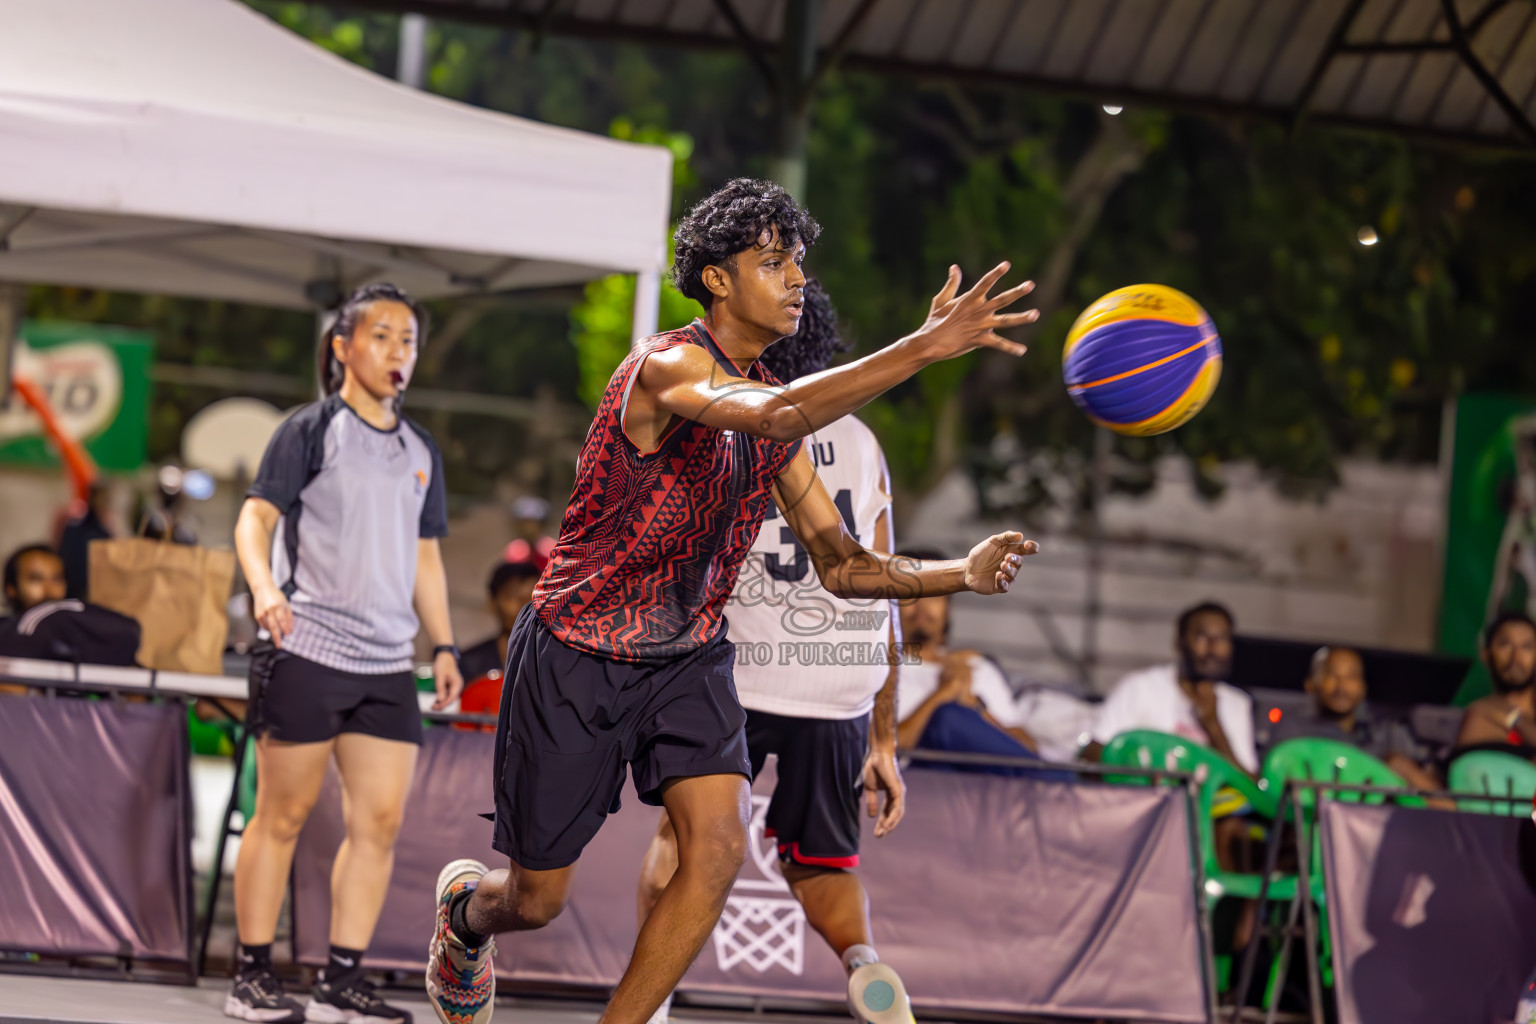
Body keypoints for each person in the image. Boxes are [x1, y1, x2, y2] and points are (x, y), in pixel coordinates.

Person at [424, 178, 1039, 1024]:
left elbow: (846, 568)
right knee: (535, 901)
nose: (797, 280)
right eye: (774, 260)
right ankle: (465, 917)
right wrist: (925, 347)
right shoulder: (667, 363)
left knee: (715, 852)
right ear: (717, 278)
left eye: (799, 263)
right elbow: (779, 412)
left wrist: (957, 574)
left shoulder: (775, 432)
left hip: (689, 657)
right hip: (577, 649)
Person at [634, 278, 909, 1024]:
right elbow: (883, 590)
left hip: (742, 671)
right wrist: (883, 736)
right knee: (822, 861)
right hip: (841, 687)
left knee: (682, 838)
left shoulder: (733, 422)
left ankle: (651, 1012)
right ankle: (865, 963)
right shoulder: (861, 441)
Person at [226, 283, 463, 1024]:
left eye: (409, 341)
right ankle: (252, 976)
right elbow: (253, 518)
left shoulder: (421, 449)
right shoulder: (311, 429)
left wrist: (445, 643)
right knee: (282, 816)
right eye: (384, 336)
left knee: (380, 825)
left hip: (388, 665)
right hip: (309, 648)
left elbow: (425, 557)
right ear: (343, 347)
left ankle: (340, 982)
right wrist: (265, 589)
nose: (399, 353)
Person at [889, 548, 1042, 764]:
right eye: (910, 593)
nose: (922, 605)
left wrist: (975, 709)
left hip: (988, 789)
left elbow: (1028, 751)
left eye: (933, 594)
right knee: (948, 717)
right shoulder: (877, 669)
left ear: (947, 607)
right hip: (921, 783)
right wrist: (942, 695)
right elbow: (881, 751)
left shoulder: (977, 668)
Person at [1087, 601, 1258, 774]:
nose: (1213, 648)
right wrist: (1137, 778)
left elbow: (1252, 788)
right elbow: (1090, 756)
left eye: (1222, 638)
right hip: (1146, 798)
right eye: (1201, 637)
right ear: (1179, 642)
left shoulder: (1237, 703)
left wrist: (1213, 726)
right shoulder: (1140, 688)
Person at [1270, 645, 1440, 790]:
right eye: (1331, 675)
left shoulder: (1386, 731)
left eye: (1351, 676)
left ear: (1363, 686)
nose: (1341, 686)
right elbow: (1272, 785)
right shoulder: (1294, 730)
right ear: (1311, 684)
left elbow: (1426, 782)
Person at [1454, 610, 1536, 759]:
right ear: (1486, 655)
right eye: (1505, 645)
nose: (1516, 657)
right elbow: (1465, 773)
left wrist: (1514, 719)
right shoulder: (1481, 714)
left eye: (1527, 647)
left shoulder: (1503, 715)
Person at [459, 555, 542, 683]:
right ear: (492, 604)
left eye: (534, 596)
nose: (527, 605)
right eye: (514, 596)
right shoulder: (469, 665)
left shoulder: (560, 661)